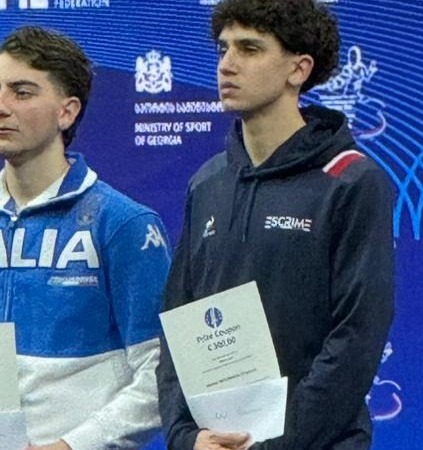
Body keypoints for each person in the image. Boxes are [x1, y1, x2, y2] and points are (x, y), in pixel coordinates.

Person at [0, 26, 171, 450]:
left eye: (22, 92)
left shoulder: (124, 224)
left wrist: (73, 445)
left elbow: (160, 370)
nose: (0, 107)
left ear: (67, 112)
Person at [156, 1, 395, 449]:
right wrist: (187, 436)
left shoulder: (352, 181)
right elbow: (178, 325)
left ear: (298, 69)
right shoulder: (207, 182)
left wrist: (275, 443)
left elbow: (356, 337)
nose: (227, 64)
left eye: (249, 49)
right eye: (223, 49)